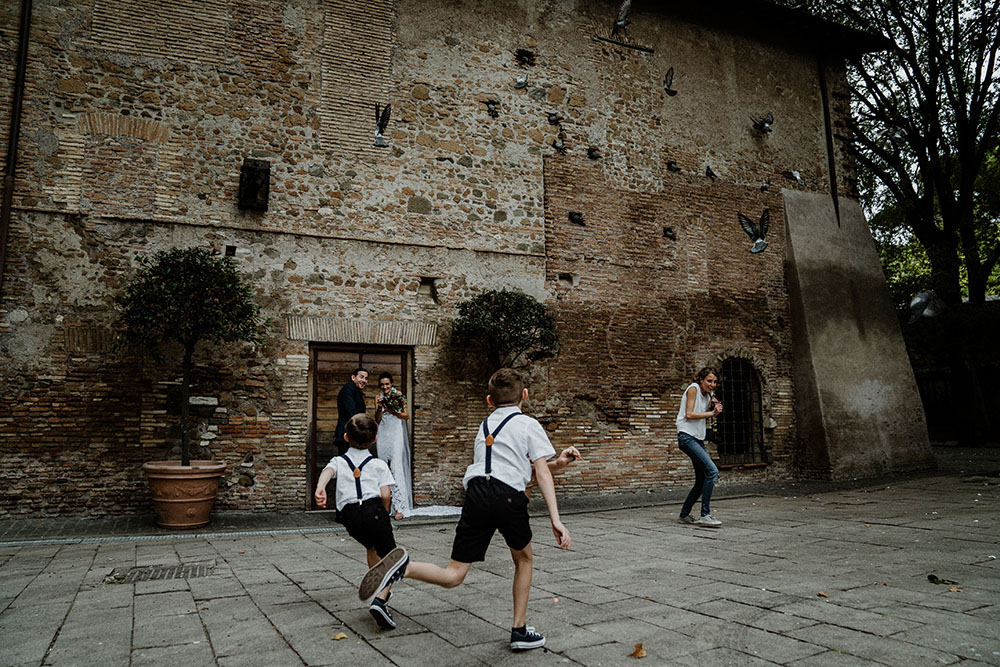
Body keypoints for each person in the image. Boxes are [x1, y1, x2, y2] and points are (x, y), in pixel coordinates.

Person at [356, 368, 579, 652]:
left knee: (453, 574)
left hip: (476, 494)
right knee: (523, 559)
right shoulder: (528, 424)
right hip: (508, 497)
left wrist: (557, 463)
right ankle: (519, 630)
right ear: (525, 395)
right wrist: (556, 520)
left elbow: (512, 469)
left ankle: (404, 568)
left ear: (489, 400)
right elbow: (537, 474)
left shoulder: (485, 426)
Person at [314, 413, 402, 630]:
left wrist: (320, 487)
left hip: (349, 517)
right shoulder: (379, 464)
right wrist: (385, 513)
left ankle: (376, 577)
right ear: (374, 439)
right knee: (394, 559)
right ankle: (381, 599)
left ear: (346, 437)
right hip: (373, 510)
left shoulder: (338, 461)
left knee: (371, 546)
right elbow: (386, 495)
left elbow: (328, 472)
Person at [676, 367, 724, 527]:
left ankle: (684, 515)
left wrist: (712, 406)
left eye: (715, 382)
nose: (712, 384)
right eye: (709, 381)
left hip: (697, 438)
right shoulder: (693, 388)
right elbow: (689, 414)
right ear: (701, 380)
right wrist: (712, 414)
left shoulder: (708, 394)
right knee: (712, 471)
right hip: (686, 436)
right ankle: (705, 515)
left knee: (701, 479)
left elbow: (700, 412)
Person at [374, 372, 412, 520]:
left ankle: (399, 508)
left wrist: (390, 409)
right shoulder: (378, 397)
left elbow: (406, 415)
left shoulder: (399, 395)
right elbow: (377, 420)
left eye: (387, 384)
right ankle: (385, 507)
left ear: (391, 384)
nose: (385, 387)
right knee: (382, 467)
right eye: (382, 384)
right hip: (383, 433)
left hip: (396, 433)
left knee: (396, 467)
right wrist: (379, 408)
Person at [334, 368, 368, 456]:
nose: (364, 380)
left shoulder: (356, 391)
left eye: (366, 378)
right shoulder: (348, 388)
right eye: (361, 377)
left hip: (354, 435)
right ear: (353, 377)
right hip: (348, 434)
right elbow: (351, 412)